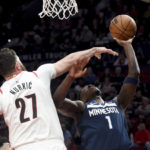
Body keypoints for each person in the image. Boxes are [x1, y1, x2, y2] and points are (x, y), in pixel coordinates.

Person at [0, 47, 118, 150]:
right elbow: (70, 59)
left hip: (22, 146)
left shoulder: (2, 93)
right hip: (52, 145)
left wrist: (4, 144)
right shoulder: (39, 75)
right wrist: (93, 51)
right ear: (17, 64)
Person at [53, 38, 140, 150]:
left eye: (90, 85)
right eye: (85, 88)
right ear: (82, 99)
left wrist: (127, 44)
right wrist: (70, 77)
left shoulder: (118, 102)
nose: (89, 85)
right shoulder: (82, 108)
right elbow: (57, 102)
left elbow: (135, 73)